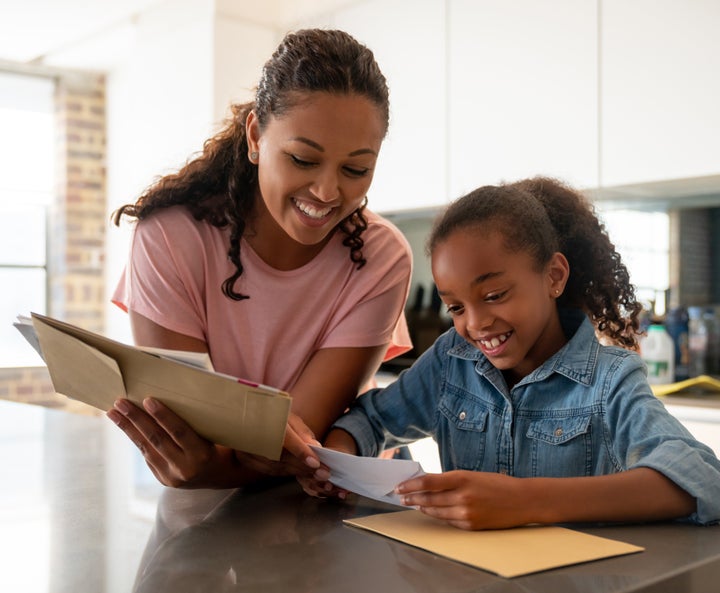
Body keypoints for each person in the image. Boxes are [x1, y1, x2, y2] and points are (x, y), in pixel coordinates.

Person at [309, 176, 720, 530]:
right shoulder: (452, 360)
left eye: (494, 295)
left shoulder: (610, 381)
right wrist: (338, 463)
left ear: (553, 277)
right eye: (455, 307)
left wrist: (524, 501)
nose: (475, 323)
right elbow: (370, 419)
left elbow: (702, 480)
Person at [107, 28, 413, 489]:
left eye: (355, 169)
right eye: (303, 159)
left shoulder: (381, 256)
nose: (328, 192)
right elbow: (185, 431)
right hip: (212, 514)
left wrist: (215, 465)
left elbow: (291, 442)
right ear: (255, 136)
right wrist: (218, 459)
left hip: (335, 502)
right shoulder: (170, 237)